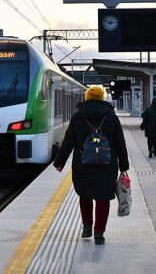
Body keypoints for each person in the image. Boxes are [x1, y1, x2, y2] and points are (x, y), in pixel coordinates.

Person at [53, 86, 129, 245]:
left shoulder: (77, 116)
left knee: (85, 194)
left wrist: (60, 162)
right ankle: (99, 233)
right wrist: (124, 166)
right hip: (107, 166)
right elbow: (120, 143)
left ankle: (87, 227)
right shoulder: (111, 117)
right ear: (102, 99)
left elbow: (68, 141)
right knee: (103, 198)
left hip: (83, 165)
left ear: (86, 98)